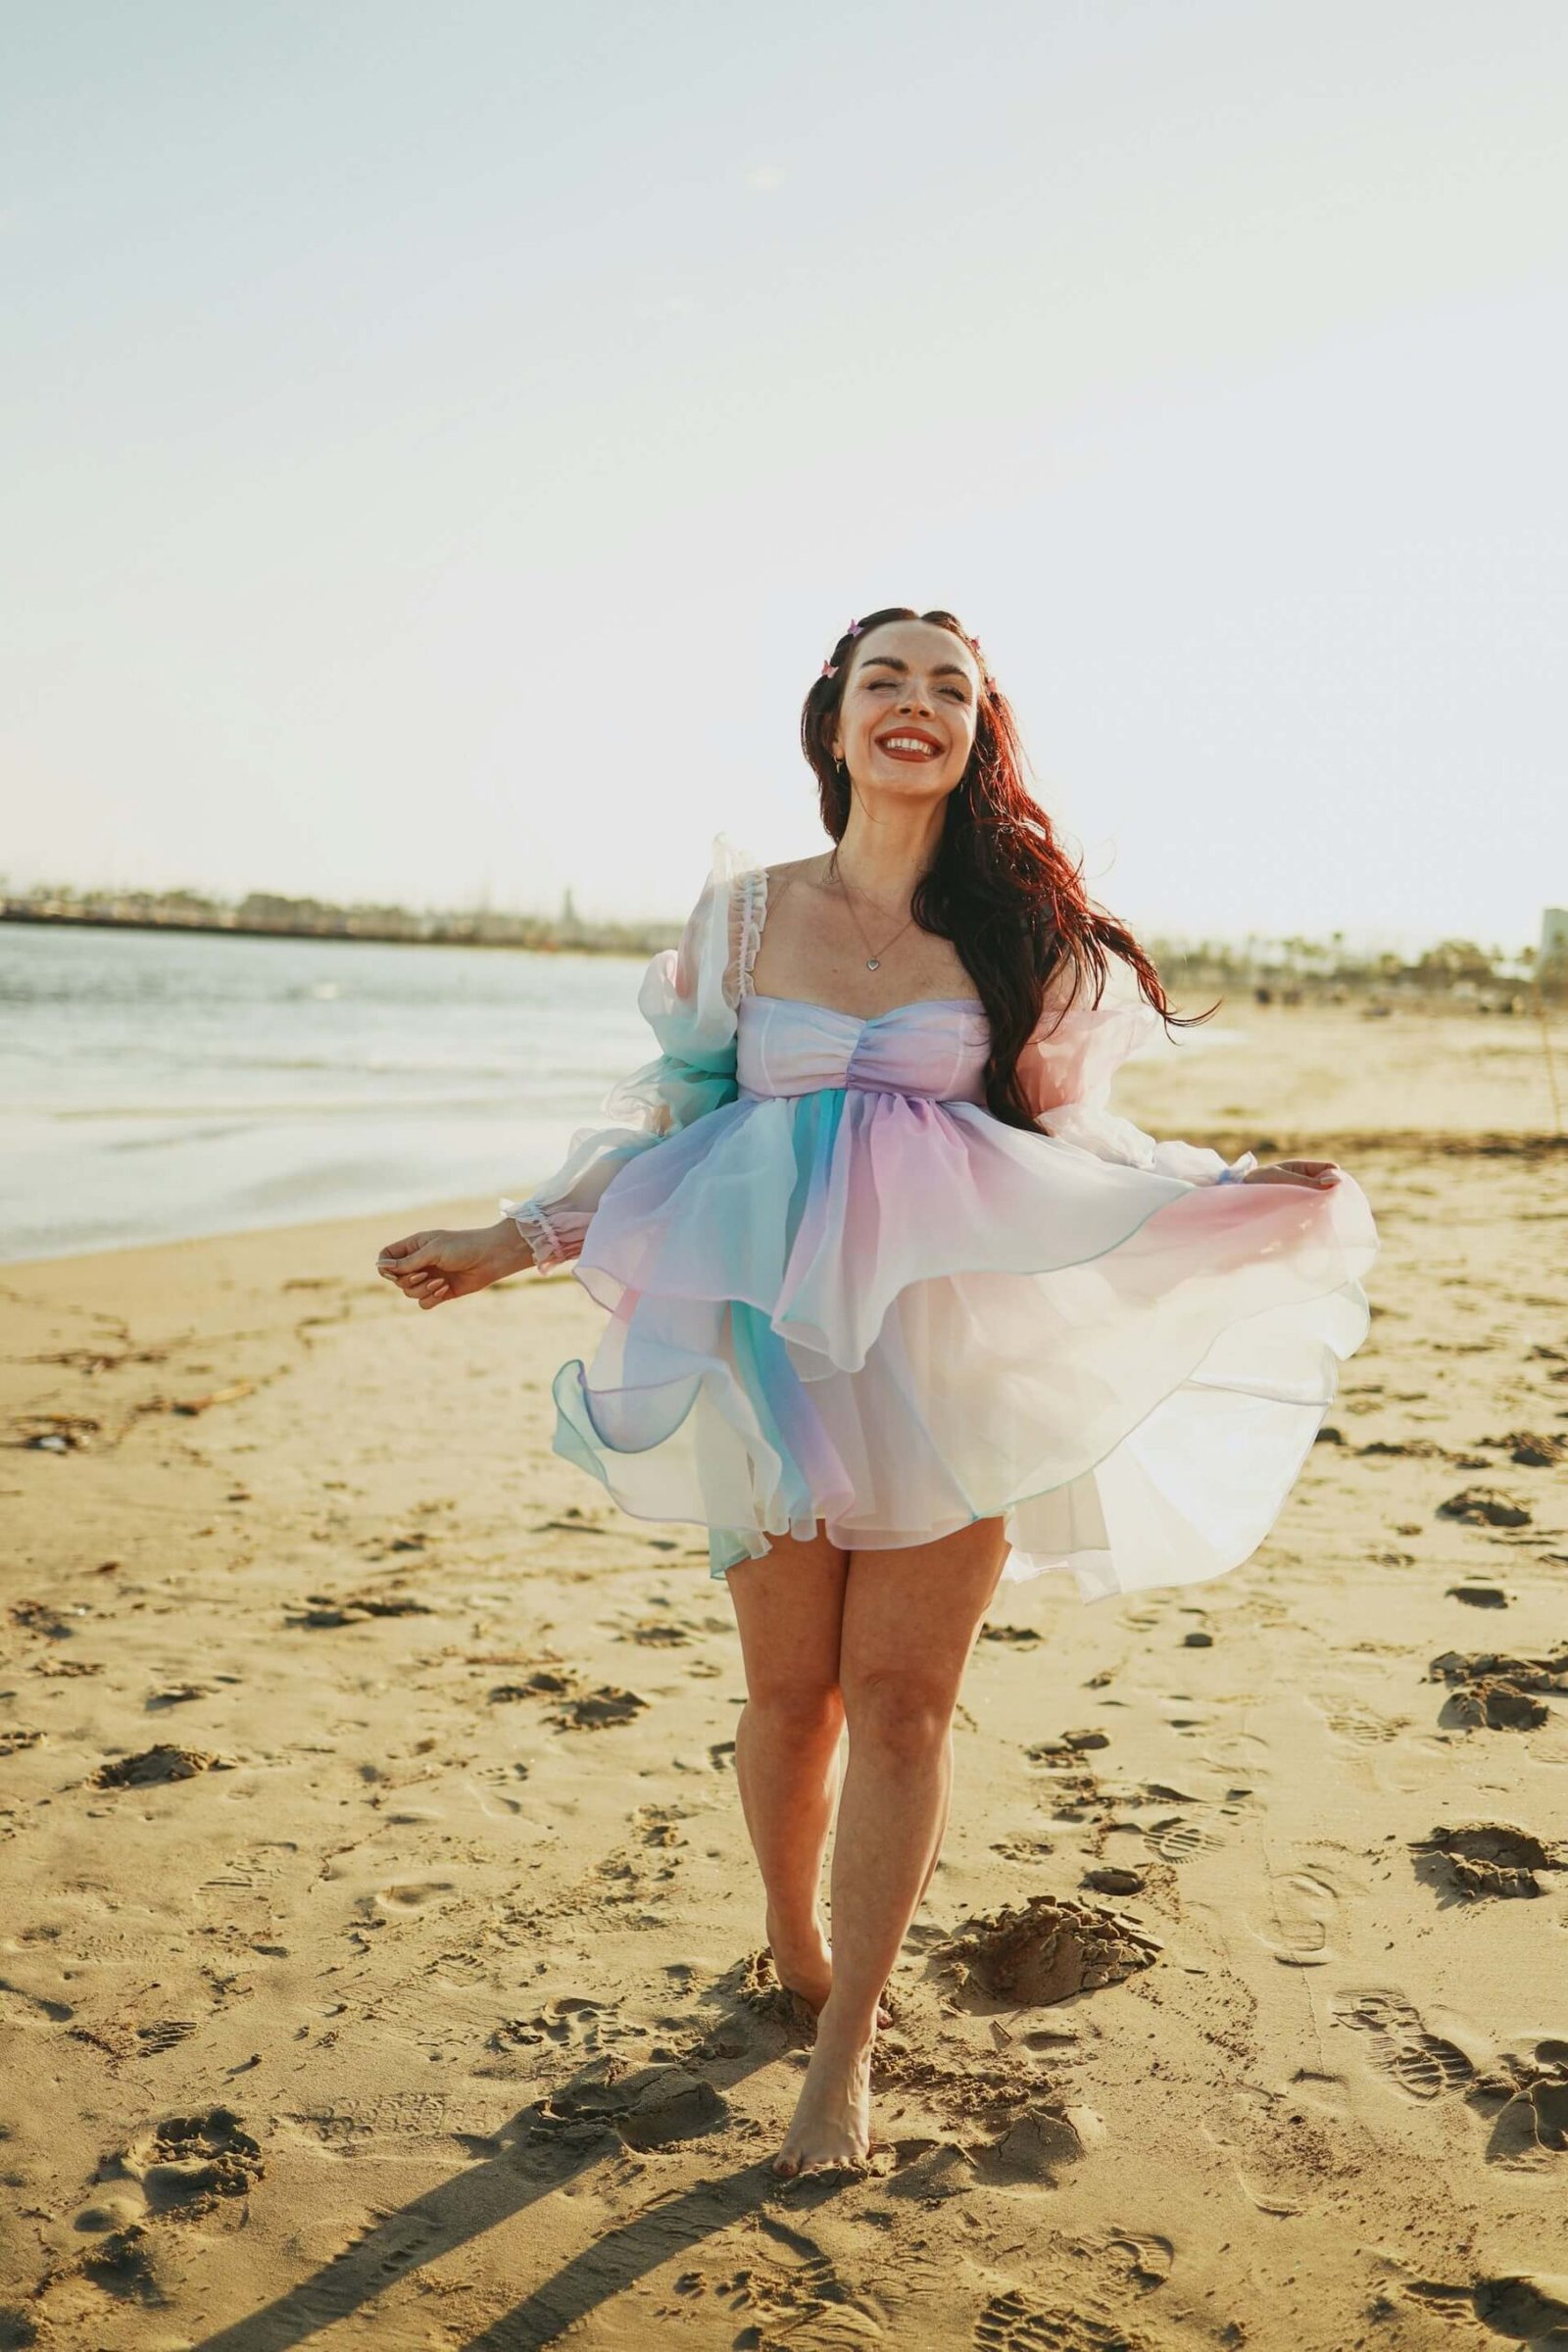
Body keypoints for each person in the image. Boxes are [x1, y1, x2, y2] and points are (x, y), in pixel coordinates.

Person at [377, 606, 1378, 2178]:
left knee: (906, 1700)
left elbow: (1073, 1154)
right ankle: (795, 1951)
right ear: (834, 721)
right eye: (885, 681)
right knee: (792, 1699)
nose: (916, 705)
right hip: (768, 1357)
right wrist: (509, 1237)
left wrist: (1225, 1188)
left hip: (953, 1363)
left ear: (977, 734)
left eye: (950, 688)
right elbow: (673, 1135)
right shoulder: (740, 920)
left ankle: (844, 2054)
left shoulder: (1019, 937)